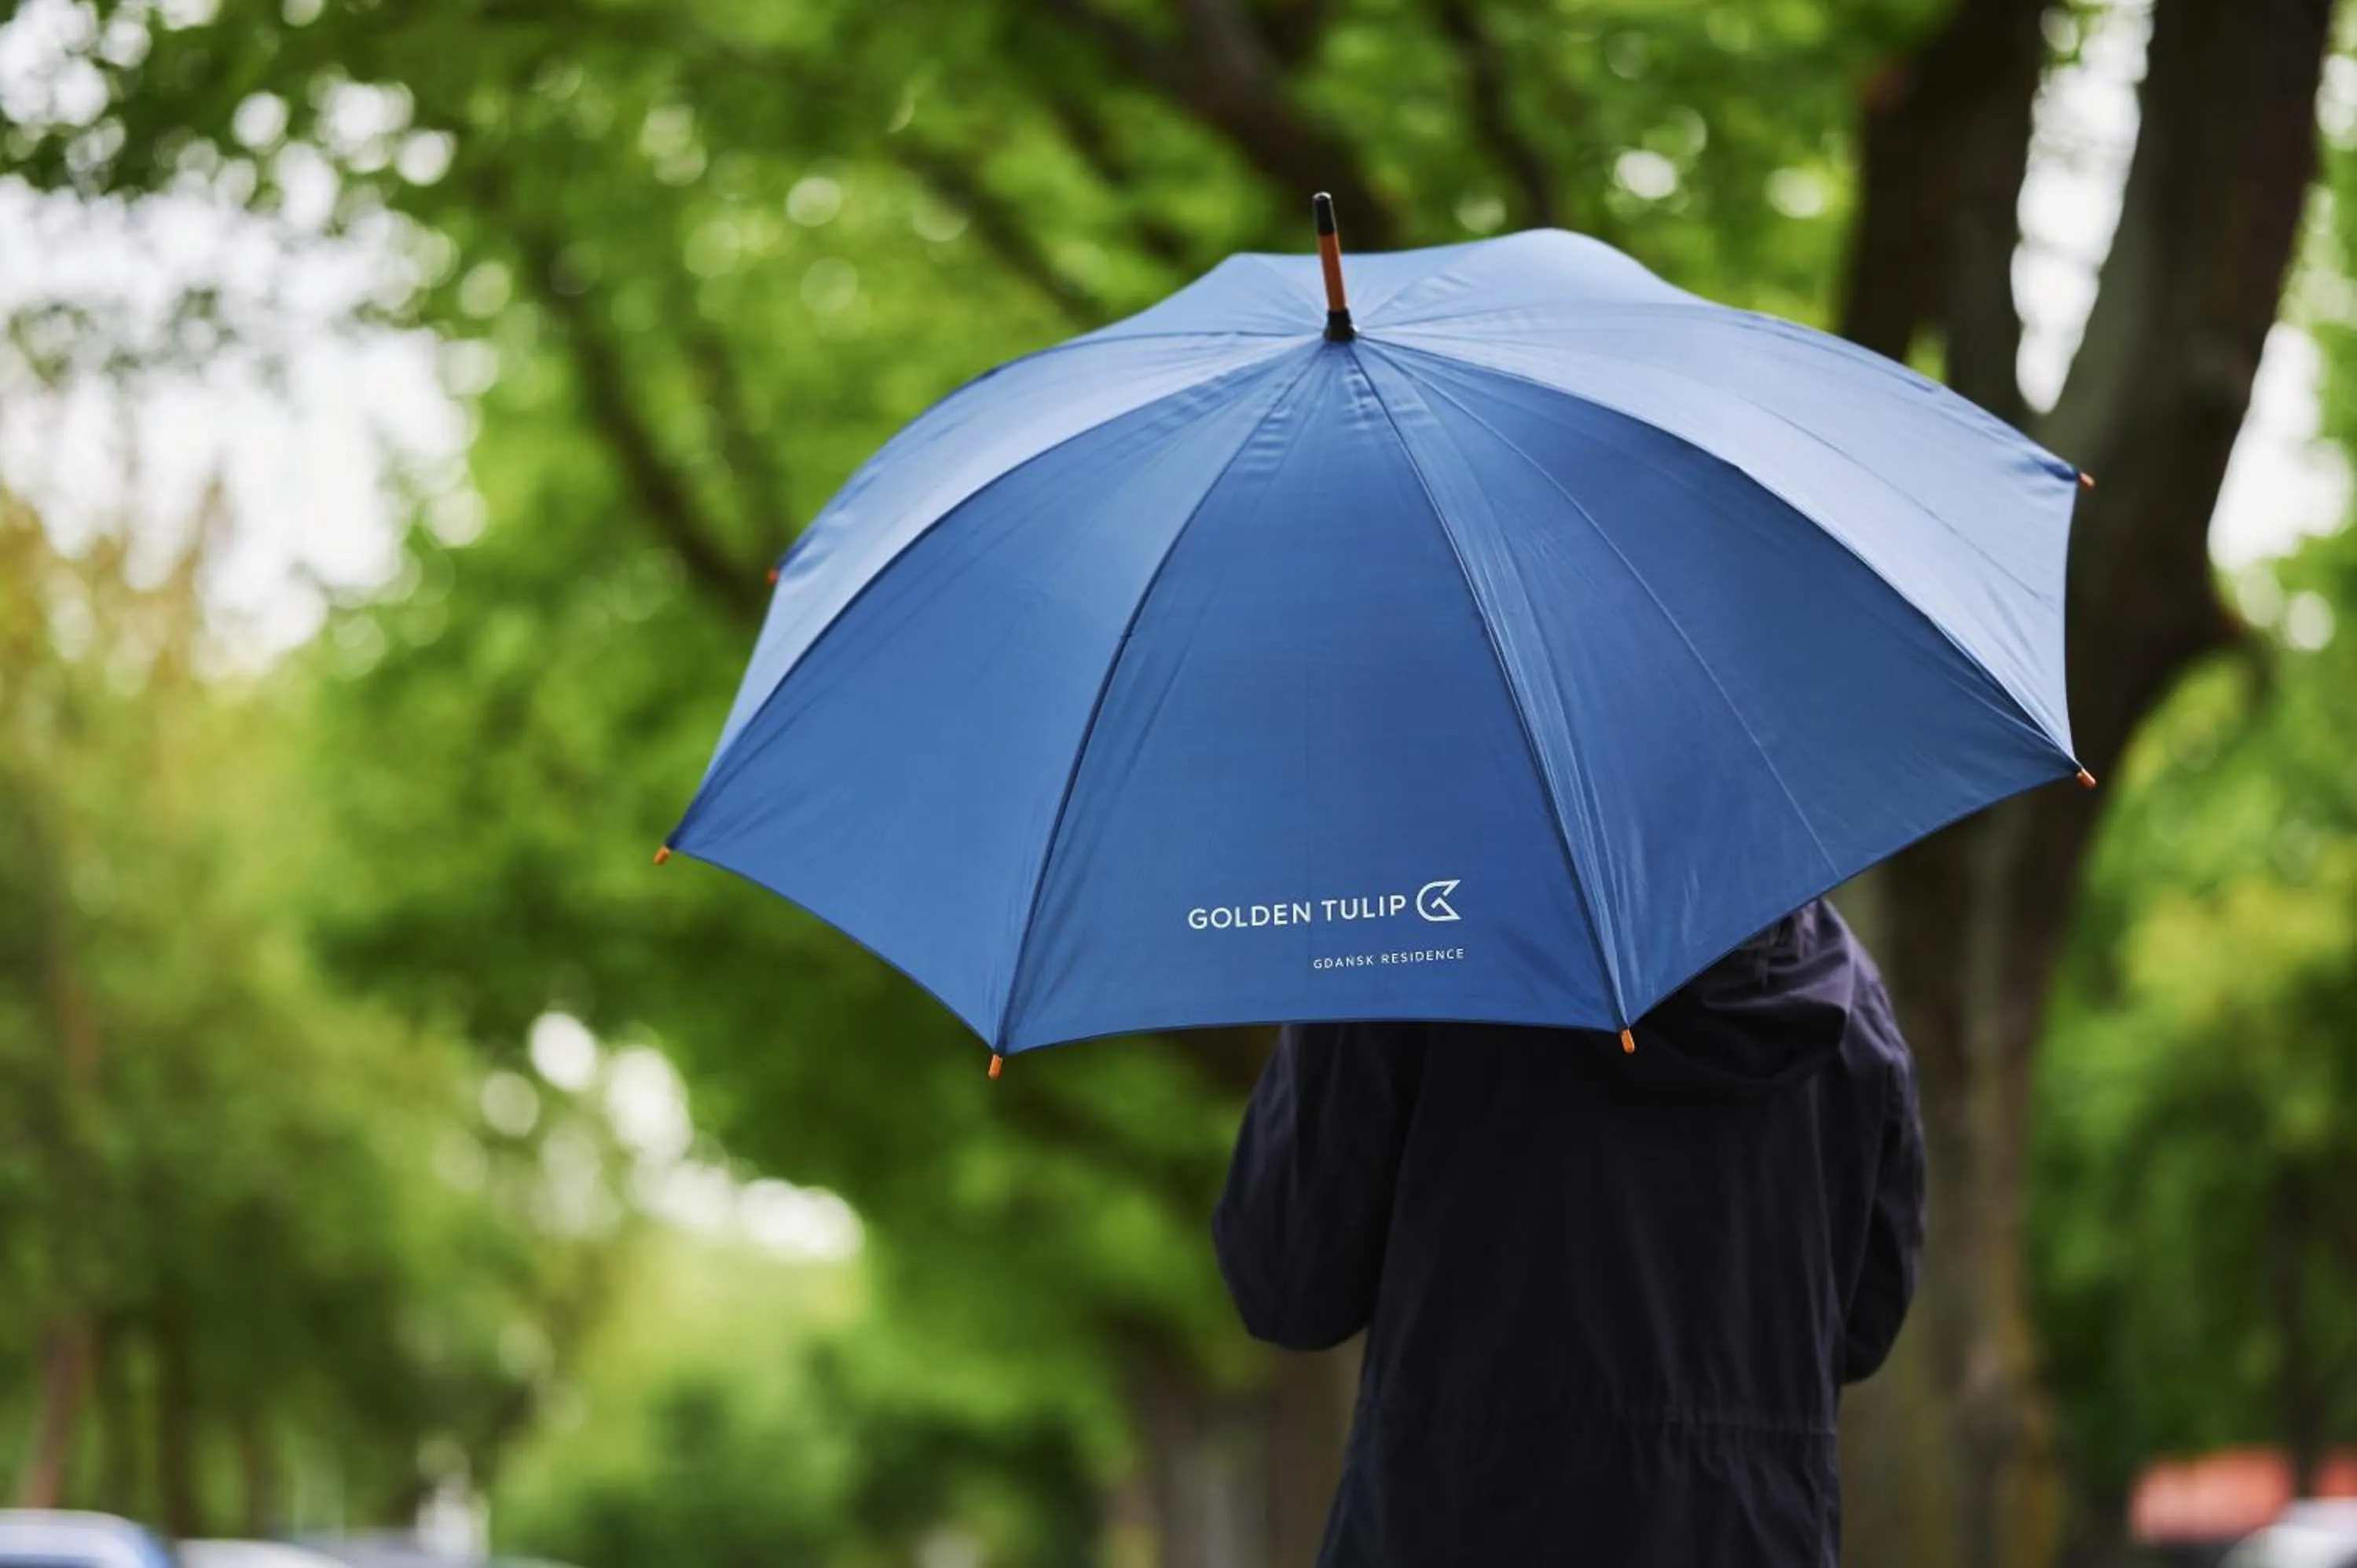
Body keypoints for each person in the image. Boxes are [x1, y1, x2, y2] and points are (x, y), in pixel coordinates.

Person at [1213, 898, 1925, 1567]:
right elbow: (1860, 1328)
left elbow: (1286, 1283)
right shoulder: (1848, 1002)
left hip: (1459, 1524)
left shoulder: (1420, 945)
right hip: (1752, 1534)